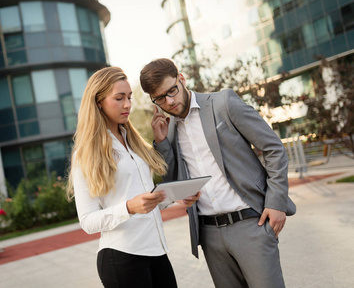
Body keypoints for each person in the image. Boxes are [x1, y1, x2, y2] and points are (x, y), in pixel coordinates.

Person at [139, 58, 297, 288]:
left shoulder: (223, 102)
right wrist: (162, 142)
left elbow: (273, 148)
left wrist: (276, 203)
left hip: (251, 224)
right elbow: (174, 183)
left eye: (172, 90)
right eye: (160, 98)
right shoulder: (168, 129)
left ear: (181, 79)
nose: (170, 101)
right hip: (210, 234)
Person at [67, 66, 186, 288]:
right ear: (99, 101)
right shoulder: (85, 154)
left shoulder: (134, 143)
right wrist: (129, 207)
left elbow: (144, 201)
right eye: (119, 98)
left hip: (157, 251)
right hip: (122, 257)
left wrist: (175, 197)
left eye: (129, 97)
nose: (128, 105)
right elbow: (87, 221)